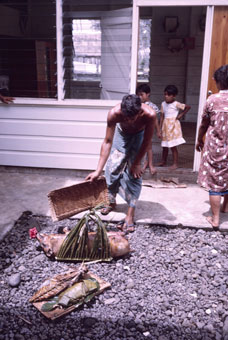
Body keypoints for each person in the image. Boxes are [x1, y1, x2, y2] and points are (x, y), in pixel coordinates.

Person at [86, 94, 156, 233]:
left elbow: (147, 142)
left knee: (134, 175)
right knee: (112, 170)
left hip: (139, 137)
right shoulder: (114, 114)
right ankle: (111, 201)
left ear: (140, 112)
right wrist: (98, 170)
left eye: (132, 118)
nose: (128, 120)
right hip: (121, 134)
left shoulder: (150, 115)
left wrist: (136, 163)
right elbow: (107, 141)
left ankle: (130, 214)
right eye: (125, 117)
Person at [196, 64, 228, 230]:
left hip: (216, 147)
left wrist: (199, 139)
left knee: (215, 181)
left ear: (217, 82)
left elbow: (204, 123)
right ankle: (226, 207)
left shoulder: (212, 100)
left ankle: (216, 219)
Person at [158, 85, 191, 169]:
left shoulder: (176, 104)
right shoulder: (163, 104)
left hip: (173, 127)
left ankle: (175, 164)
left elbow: (188, 107)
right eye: (165, 94)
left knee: (173, 146)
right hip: (165, 127)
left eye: (169, 95)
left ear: (174, 96)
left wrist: (181, 114)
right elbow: (162, 116)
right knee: (164, 146)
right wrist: (159, 129)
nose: (166, 96)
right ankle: (163, 161)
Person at [136, 84, 161, 175]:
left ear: (148, 94)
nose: (139, 97)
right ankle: (142, 163)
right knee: (139, 146)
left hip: (147, 130)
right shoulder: (137, 105)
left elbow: (155, 120)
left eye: (141, 94)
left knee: (149, 147)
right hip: (138, 130)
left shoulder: (152, 106)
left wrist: (158, 130)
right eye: (138, 94)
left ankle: (150, 164)